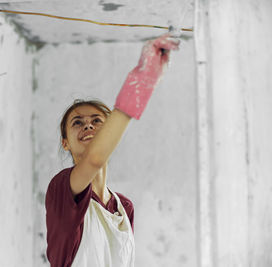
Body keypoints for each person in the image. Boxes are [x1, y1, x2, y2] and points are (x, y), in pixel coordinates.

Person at [45, 33, 180, 267]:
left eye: (97, 121)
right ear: (65, 142)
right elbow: (94, 159)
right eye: (77, 122)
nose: (88, 124)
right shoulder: (63, 189)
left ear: (109, 133)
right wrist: (141, 82)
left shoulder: (124, 207)